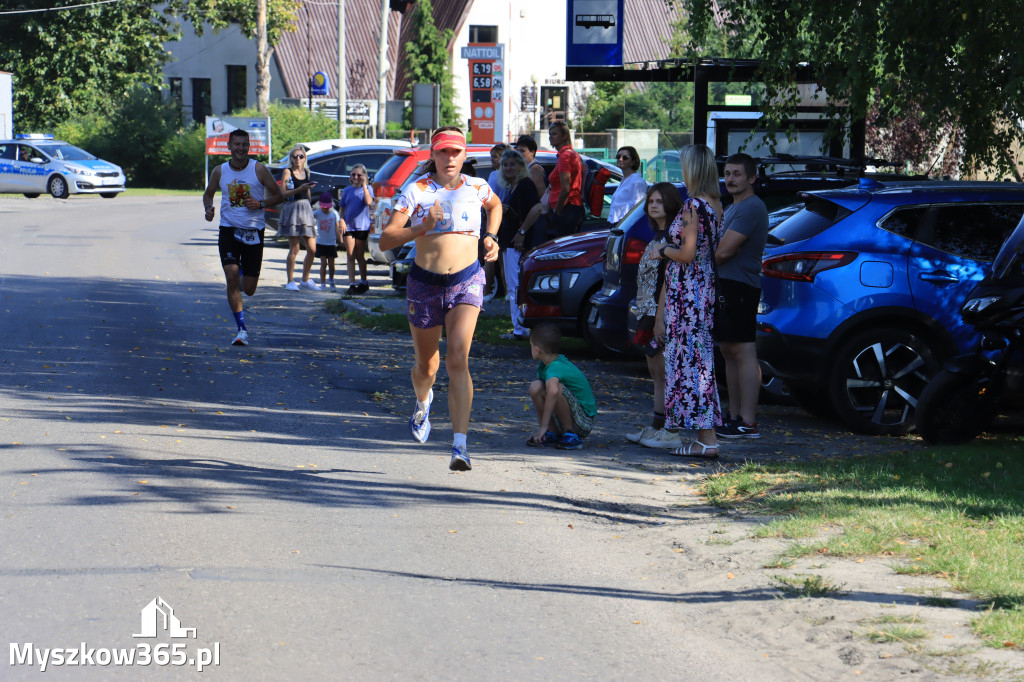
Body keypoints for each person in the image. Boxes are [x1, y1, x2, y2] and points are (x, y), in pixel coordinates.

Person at [378, 126, 502, 472]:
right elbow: (387, 240)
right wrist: (421, 227)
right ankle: (422, 402)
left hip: (467, 280)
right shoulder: (416, 191)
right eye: (443, 152)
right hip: (425, 284)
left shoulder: (478, 187)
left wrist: (491, 237)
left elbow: (496, 205)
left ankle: (460, 446)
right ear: (433, 155)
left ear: (465, 156)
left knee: (457, 359)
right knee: (427, 366)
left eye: (456, 152)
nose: (450, 158)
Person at [203, 129, 312, 346]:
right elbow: (209, 193)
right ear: (229, 147)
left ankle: (242, 270)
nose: (240, 148)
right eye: (237, 144)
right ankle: (241, 329)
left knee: (249, 289)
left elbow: (278, 196)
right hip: (229, 230)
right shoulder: (219, 171)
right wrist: (209, 208)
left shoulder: (258, 169)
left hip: (253, 232)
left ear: (249, 147)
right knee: (231, 277)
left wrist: (260, 204)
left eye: (244, 144)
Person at [653, 144, 724, 458]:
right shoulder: (714, 204)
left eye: (683, 165)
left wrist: (662, 250)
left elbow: (686, 253)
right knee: (700, 363)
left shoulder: (691, 207)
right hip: (701, 293)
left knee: (691, 364)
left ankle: (706, 440)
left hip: (688, 297)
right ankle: (704, 437)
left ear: (692, 169)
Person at [715, 152, 769, 439]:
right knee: (728, 351)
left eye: (737, 174)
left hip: (740, 287)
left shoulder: (751, 207)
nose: (731, 179)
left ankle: (747, 421)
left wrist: (694, 263)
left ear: (752, 178)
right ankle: (735, 417)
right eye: (728, 173)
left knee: (744, 351)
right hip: (725, 286)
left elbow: (724, 251)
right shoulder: (732, 207)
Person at [626, 183, 683, 449]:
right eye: (650, 201)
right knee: (654, 370)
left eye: (660, 201)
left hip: (660, 311)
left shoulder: (672, 239)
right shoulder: (656, 236)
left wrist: (660, 317)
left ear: (671, 204)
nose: (654, 205)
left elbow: (668, 281)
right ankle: (657, 424)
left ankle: (670, 428)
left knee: (664, 369)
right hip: (645, 308)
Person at [526, 323, 597, 450]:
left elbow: (553, 392)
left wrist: (543, 425)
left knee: (556, 388)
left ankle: (571, 434)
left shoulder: (555, 367)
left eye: (531, 345)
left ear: (537, 349)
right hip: (573, 415)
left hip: (584, 422)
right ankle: (552, 433)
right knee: (536, 386)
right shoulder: (546, 364)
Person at [499, 148, 543, 340]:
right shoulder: (513, 187)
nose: (508, 168)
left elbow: (537, 208)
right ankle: (519, 326)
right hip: (510, 242)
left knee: (515, 286)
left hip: (518, 244)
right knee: (514, 285)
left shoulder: (525, 184)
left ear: (520, 166)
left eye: (512, 164)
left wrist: (522, 232)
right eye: (505, 165)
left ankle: (520, 329)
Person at [278, 145, 319, 292]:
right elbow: (283, 193)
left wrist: (310, 208)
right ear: (291, 158)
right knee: (294, 248)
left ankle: (305, 279)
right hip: (293, 209)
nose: (298, 159)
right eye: (295, 156)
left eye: (301, 156)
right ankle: (290, 281)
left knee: (312, 249)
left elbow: (307, 194)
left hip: (306, 210)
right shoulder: (287, 172)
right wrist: (299, 189)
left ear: (305, 158)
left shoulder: (307, 171)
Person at [339, 164, 374, 294]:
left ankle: (364, 282)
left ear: (364, 176)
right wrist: (341, 220)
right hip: (348, 226)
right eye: (353, 174)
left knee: (360, 255)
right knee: (350, 254)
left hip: (362, 226)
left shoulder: (368, 188)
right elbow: (342, 207)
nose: (356, 177)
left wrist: (364, 185)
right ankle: (352, 283)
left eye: (359, 175)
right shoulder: (347, 190)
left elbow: (369, 202)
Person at [546, 121, 584, 238]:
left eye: (554, 134)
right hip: (570, 209)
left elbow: (565, 189)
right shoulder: (571, 154)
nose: (550, 137)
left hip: (567, 210)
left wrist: (556, 212)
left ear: (564, 136)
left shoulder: (565, 157)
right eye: (550, 134)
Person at [608, 146, 649, 223]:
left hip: (625, 225)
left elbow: (639, 210)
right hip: (616, 224)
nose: (620, 159)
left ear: (633, 161)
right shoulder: (624, 180)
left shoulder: (637, 182)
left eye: (625, 157)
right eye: (618, 156)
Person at [313, 191, 342, 290]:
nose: (325, 209)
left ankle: (331, 279)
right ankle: (322, 283)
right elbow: (309, 217)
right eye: (323, 207)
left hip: (331, 243)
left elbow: (337, 228)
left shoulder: (334, 214)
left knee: (331, 264)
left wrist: (340, 240)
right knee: (323, 263)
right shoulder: (317, 213)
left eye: (326, 207)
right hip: (321, 242)